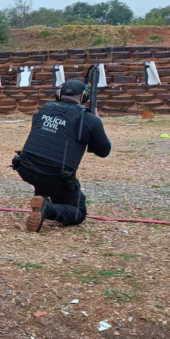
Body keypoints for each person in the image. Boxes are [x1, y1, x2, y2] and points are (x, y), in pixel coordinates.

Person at [13, 78, 111, 232]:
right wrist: (97, 123)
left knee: (45, 170)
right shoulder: (89, 119)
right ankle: (47, 208)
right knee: (78, 211)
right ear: (84, 96)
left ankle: (41, 196)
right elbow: (104, 151)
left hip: (26, 168)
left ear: (59, 94)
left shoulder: (42, 110)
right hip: (56, 175)